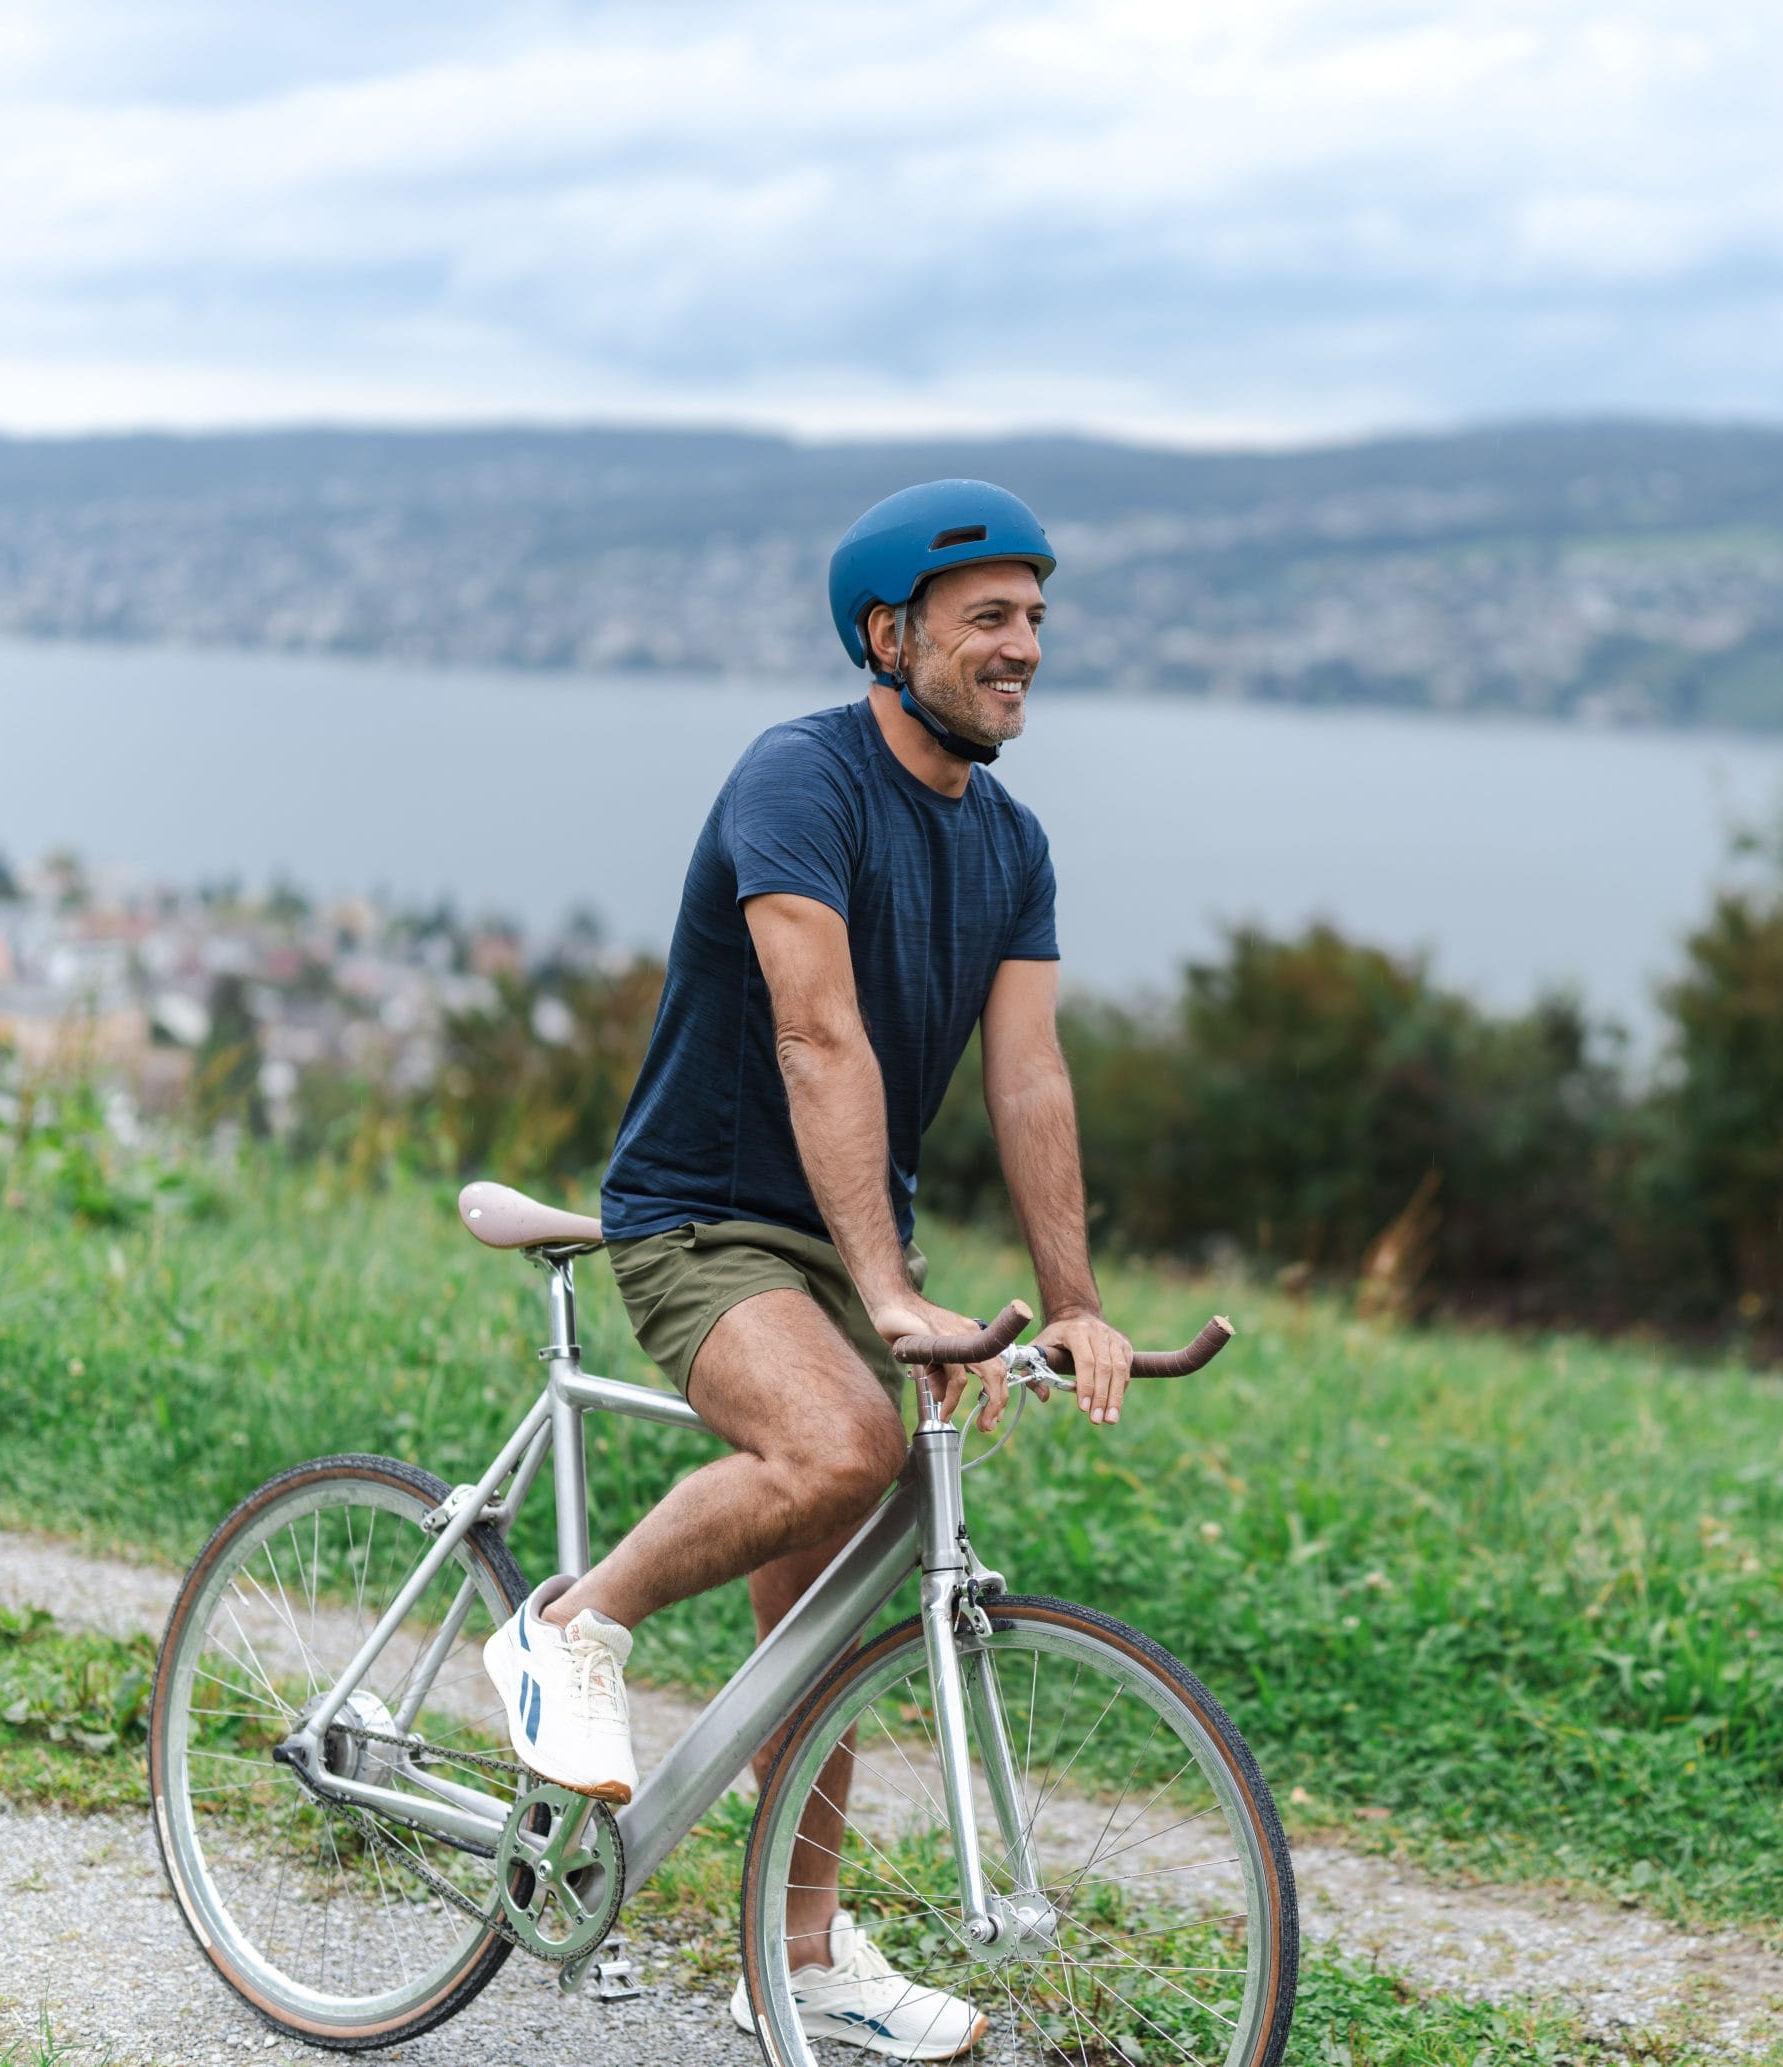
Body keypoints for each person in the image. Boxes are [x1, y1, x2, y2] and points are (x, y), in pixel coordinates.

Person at [481, 479, 1135, 2059]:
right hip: (700, 1216)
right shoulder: (798, 779)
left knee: (851, 1554)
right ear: (887, 634)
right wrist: (893, 1292)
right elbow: (816, 1031)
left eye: (1037, 617)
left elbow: (1029, 1080)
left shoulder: (1015, 847)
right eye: (990, 617)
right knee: (837, 1440)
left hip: (842, 1234)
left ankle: (801, 1949)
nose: (1025, 646)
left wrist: (1074, 1299)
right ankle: (574, 1625)